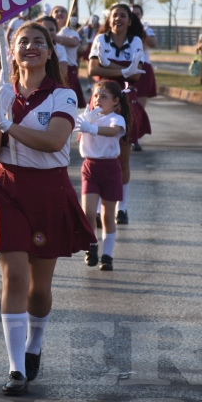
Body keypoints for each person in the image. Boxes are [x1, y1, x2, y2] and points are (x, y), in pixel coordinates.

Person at [0, 21, 95, 395]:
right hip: (8, 188)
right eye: (22, 42)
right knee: (14, 277)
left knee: (38, 290)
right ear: (11, 52)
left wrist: (9, 125)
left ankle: (34, 344)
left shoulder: (64, 95)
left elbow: (54, 141)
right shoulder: (0, 94)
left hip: (49, 191)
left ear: (49, 51)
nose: (30, 47)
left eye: (38, 42)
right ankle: (15, 370)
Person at [88, 4, 147, 224]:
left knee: (122, 158)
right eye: (115, 15)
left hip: (124, 103)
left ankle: (121, 207)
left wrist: (109, 66)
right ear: (109, 19)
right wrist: (122, 71)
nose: (118, 19)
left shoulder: (136, 41)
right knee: (95, 154)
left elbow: (137, 75)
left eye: (123, 16)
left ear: (130, 21)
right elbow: (94, 70)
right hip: (100, 101)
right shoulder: (101, 39)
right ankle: (95, 207)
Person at [77, 80, 130, 271]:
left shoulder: (116, 118)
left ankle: (107, 256)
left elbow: (114, 131)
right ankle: (92, 245)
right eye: (96, 95)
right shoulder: (87, 116)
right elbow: (73, 127)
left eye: (104, 97)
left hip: (110, 168)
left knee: (108, 216)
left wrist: (92, 128)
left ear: (116, 101)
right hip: (90, 167)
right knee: (88, 213)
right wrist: (84, 122)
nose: (98, 100)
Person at [51, 5, 85, 108]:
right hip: (51, 69)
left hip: (69, 71)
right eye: (56, 11)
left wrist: (53, 37)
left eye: (63, 11)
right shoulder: (46, 32)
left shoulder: (71, 32)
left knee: (70, 103)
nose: (59, 13)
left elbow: (74, 42)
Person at [130, 4, 158, 120]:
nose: (134, 16)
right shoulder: (123, 29)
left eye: (137, 13)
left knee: (139, 106)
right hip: (125, 66)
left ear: (141, 15)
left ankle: (136, 135)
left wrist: (142, 31)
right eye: (132, 13)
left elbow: (153, 43)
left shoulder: (146, 29)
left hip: (143, 66)